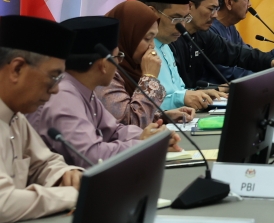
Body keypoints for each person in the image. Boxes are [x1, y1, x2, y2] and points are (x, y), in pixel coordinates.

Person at [28, 17, 181, 165]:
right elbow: (91, 157)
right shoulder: (63, 97)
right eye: (118, 56)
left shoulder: (82, 89)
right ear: (103, 65)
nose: (119, 63)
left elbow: (113, 131)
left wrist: (149, 136)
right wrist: (143, 145)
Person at [0, 16, 87, 223]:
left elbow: (43, 163)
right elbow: (2, 203)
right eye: (54, 77)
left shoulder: (15, 116)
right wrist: (73, 195)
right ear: (17, 69)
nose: (56, 89)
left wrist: (67, 174)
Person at [171, 0, 274, 88]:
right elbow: (230, 74)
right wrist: (271, 74)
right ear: (190, 6)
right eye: (211, 9)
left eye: (216, 9)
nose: (215, 15)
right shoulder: (172, 39)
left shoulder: (204, 35)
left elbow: (240, 54)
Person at [98, 0, 195, 127]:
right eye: (147, 38)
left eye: (153, 38)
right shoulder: (106, 72)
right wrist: (149, 78)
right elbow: (132, 123)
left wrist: (162, 117)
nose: (152, 46)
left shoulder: (133, 66)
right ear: (127, 36)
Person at [146, 0, 223, 111]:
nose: (182, 26)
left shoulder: (166, 45)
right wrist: (182, 98)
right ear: (153, 13)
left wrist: (200, 94)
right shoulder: (140, 51)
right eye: (175, 18)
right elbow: (144, 105)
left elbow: (178, 90)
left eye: (186, 18)